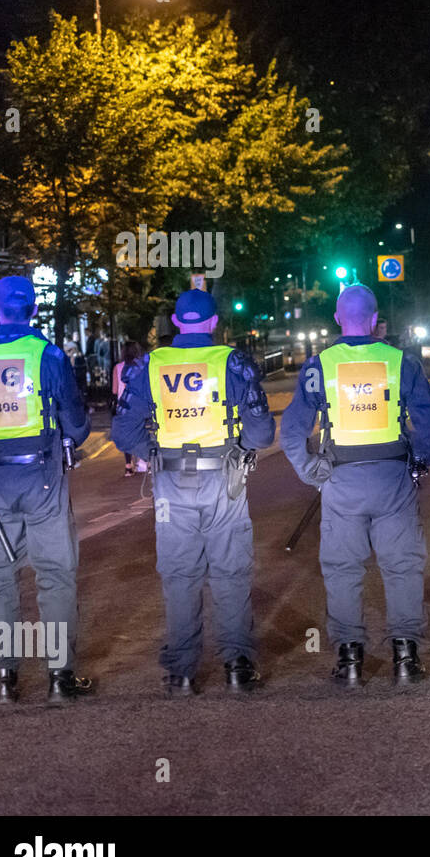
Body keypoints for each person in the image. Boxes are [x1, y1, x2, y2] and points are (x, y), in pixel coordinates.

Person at [281, 284, 430, 687]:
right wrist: (420, 461)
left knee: (342, 569)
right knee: (403, 566)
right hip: (392, 479)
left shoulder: (319, 366)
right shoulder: (400, 362)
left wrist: (311, 471)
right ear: (375, 320)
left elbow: (290, 431)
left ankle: (350, 660)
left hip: (340, 481)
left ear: (338, 318)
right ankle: (406, 657)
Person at [112, 289, 275, 696]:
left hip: (172, 483)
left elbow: (123, 431)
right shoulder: (231, 362)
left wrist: (154, 455)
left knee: (179, 574)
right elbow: (261, 431)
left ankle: (181, 672)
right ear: (214, 323)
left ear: (176, 323)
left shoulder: (149, 365)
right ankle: (237, 665)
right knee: (230, 571)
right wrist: (242, 450)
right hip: (224, 479)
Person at [0, 276, 91, 705]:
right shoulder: (48, 354)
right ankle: (60, 678)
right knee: (54, 575)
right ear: (34, 310)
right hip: (43, 478)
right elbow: (76, 422)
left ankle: (4, 680)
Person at [111, 341, 148, 476]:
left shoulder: (118, 367)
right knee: (142, 431)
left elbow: (115, 390)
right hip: (139, 404)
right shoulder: (142, 366)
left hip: (123, 406)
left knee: (127, 434)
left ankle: (128, 466)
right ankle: (146, 461)